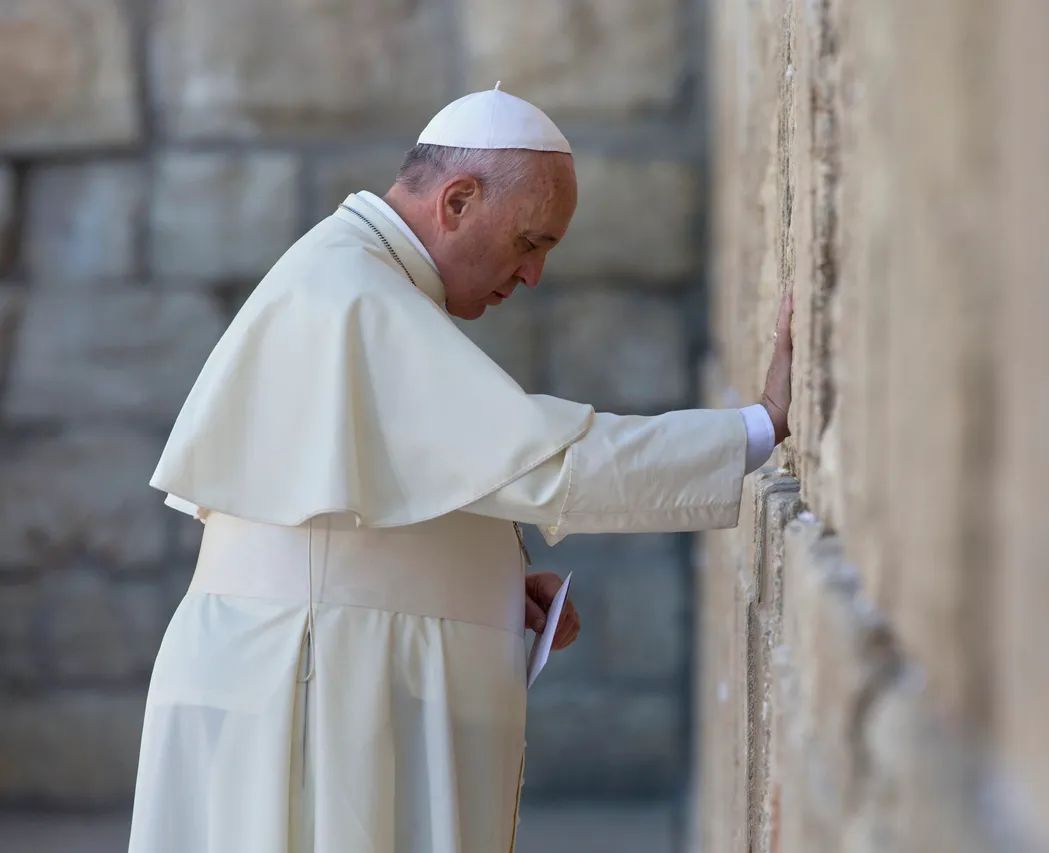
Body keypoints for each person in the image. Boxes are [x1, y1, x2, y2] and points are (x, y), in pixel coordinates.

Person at [127, 85, 794, 853]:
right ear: (457, 201)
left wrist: (484, 579)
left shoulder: (355, 274)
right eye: (530, 242)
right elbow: (551, 463)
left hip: (302, 672)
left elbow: (365, 512)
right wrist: (761, 426)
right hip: (298, 691)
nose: (533, 274)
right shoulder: (355, 296)